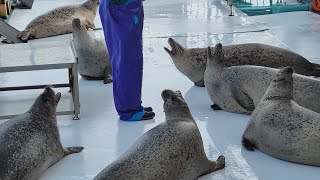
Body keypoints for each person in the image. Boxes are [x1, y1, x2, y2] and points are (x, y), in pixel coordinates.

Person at [99, 0, 155, 121]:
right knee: (127, 60)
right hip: (120, 9)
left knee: (129, 58)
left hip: (123, 7)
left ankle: (132, 104)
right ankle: (128, 110)